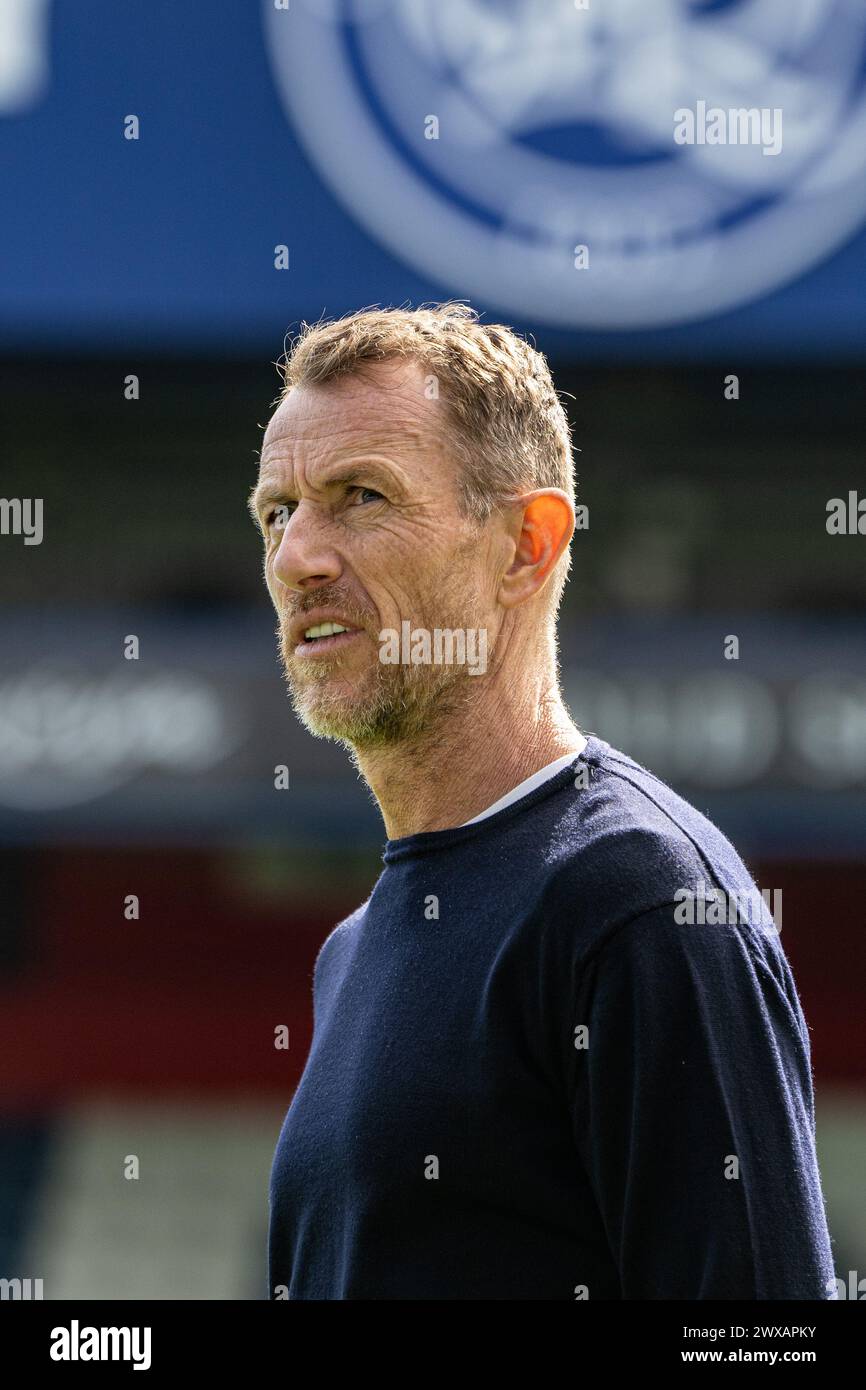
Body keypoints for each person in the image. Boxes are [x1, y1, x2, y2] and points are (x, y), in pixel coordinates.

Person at [250, 302, 836, 1300]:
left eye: (360, 496)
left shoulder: (635, 899)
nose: (297, 556)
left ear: (526, 545)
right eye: (277, 511)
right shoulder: (348, 951)